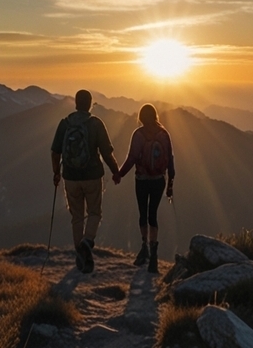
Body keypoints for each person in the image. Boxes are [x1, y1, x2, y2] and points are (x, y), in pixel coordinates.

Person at [51, 90, 120, 274]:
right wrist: (116, 172)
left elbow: (55, 152)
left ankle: (80, 256)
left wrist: (56, 173)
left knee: (77, 217)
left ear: (75, 103)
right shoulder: (96, 124)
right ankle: (87, 242)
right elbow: (106, 153)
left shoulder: (64, 124)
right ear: (90, 104)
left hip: (70, 178)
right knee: (95, 212)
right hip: (92, 177)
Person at [114, 103, 175, 273]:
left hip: (141, 179)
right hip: (159, 180)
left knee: (143, 213)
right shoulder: (164, 134)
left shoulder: (138, 135)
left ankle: (144, 248)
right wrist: (170, 183)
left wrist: (119, 174)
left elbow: (132, 158)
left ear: (141, 117)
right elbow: (170, 159)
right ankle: (154, 254)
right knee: (153, 214)